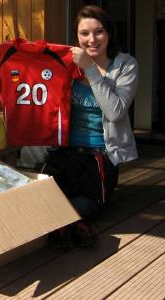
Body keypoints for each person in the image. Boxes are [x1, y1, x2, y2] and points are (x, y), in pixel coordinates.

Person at [42, 5, 139, 248]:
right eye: (84, 33)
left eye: (99, 32)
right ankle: (71, 227)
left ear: (109, 34)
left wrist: (90, 69)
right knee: (43, 196)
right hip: (64, 152)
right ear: (76, 36)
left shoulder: (125, 66)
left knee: (86, 204)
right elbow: (32, 67)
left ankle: (65, 226)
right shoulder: (65, 64)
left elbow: (115, 112)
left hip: (101, 155)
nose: (91, 39)